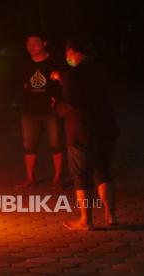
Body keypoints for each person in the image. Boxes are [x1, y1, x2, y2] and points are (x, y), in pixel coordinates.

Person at [57, 37, 119, 230]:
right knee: (104, 173)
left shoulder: (72, 74)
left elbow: (71, 102)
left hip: (81, 132)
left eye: (67, 53)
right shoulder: (100, 70)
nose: (66, 56)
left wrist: (56, 107)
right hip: (105, 130)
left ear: (74, 52)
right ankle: (111, 216)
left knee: (82, 176)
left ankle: (86, 220)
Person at [18, 33, 63, 189]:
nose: (31, 47)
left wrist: (57, 97)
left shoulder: (54, 61)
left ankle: (57, 178)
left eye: (35, 43)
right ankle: (30, 177)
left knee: (56, 144)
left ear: (44, 43)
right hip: (30, 110)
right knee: (29, 145)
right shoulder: (24, 63)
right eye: (28, 43)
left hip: (50, 110)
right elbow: (21, 84)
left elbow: (63, 83)